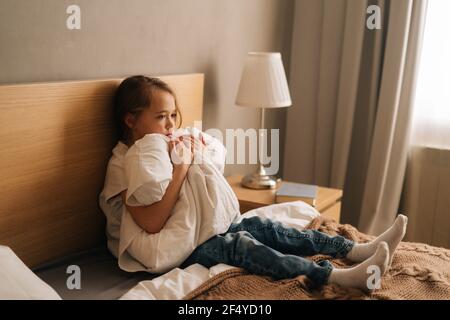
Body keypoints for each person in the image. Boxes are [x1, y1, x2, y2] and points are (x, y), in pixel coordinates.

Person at [99, 75, 408, 293]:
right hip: (166, 253)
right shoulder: (125, 163)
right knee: (241, 246)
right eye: (161, 117)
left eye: (174, 116)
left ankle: (356, 250)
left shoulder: (161, 145)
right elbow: (151, 224)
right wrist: (182, 167)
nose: (171, 125)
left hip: (192, 231)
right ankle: (334, 277)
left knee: (266, 228)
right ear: (130, 120)